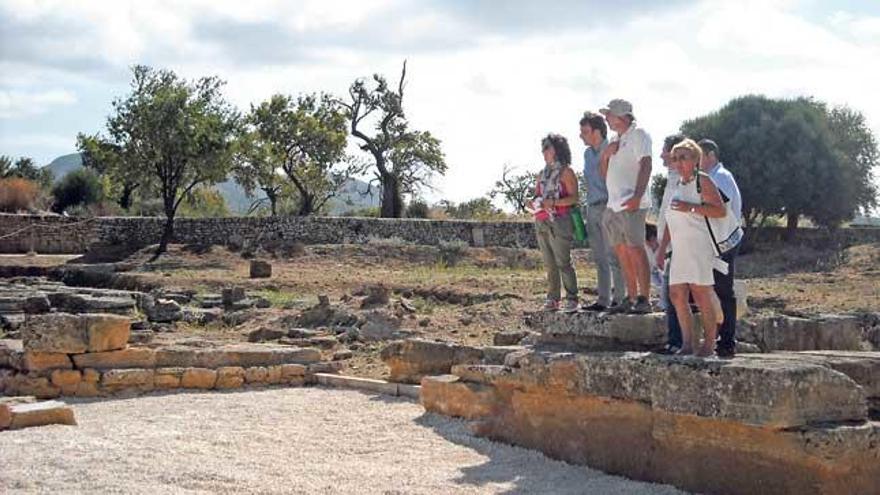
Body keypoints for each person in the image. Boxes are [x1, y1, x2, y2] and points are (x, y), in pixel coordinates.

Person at [661, 138, 728, 356]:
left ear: (695, 159)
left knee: (701, 294)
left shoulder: (703, 181)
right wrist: (662, 248)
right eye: (675, 158)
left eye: (683, 157)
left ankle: (708, 344)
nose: (678, 162)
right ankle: (687, 343)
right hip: (679, 249)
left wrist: (690, 207)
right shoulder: (677, 184)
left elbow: (719, 211)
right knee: (676, 294)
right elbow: (672, 218)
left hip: (698, 246)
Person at [598, 99, 653, 314]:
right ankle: (630, 297)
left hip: (632, 203)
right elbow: (604, 174)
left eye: (609, 115)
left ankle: (644, 298)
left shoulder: (639, 134)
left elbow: (646, 164)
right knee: (622, 251)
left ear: (621, 116)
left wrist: (637, 196)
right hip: (614, 205)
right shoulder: (614, 139)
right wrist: (605, 155)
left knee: (635, 249)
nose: (606, 119)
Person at [698, 139, 743, 358]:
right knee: (713, 290)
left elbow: (720, 210)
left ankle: (727, 341)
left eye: (699, 156)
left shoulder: (721, 177)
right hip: (716, 242)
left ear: (710, 155)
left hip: (725, 242)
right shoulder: (712, 177)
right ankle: (718, 338)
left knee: (724, 291)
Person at [578, 111, 625, 311]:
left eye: (585, 131)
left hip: (609, 206)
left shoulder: (613, 148)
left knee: (614, 255)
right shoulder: (587, 154)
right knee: (599, 257)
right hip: (592, 207)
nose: (581, 136)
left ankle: (620, 299)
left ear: (597, 131)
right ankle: (603, 299)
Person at [532, 133, 580, 312]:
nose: (543, 152)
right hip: (542, 219)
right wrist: (533, 202)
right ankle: (553, 298)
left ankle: (572, 297)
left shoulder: (566, 172)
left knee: (563, 261)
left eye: (547, 147)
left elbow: (574, 198)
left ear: (557, 149)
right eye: (543, 148)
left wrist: (553, 203)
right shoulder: (542, 174)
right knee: (549, 262)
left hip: (560, 220)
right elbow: (538, 195)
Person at [654, 134, 686, 353]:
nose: (661, 155)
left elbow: (674, 220)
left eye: (665, 150)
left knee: (675, 297)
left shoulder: (682, 181)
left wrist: (663, 247)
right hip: (671, 248)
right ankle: (675, 341)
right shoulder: (672, 178)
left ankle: (679, 342)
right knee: (671, 297)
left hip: (679, 248)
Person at [644, 223, 665, 310]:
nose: (650, 244)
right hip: (654, 271)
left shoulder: (663, 244)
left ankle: (663, 302)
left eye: (652, 240)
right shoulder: (645, 247)